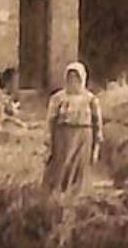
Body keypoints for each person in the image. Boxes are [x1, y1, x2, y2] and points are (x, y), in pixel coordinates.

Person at [43, 61, 101, 195]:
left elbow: (97, 122)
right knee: (63, 165)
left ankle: (77, 193)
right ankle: (58, 192)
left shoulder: (90, 99)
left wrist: (97, 144)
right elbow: (50, 119)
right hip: (63, 136)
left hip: (83, 136)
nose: (73, 82)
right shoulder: (58, 98)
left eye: (76, 78)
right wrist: (48, 139)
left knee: (79, 166)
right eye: (70, 78)